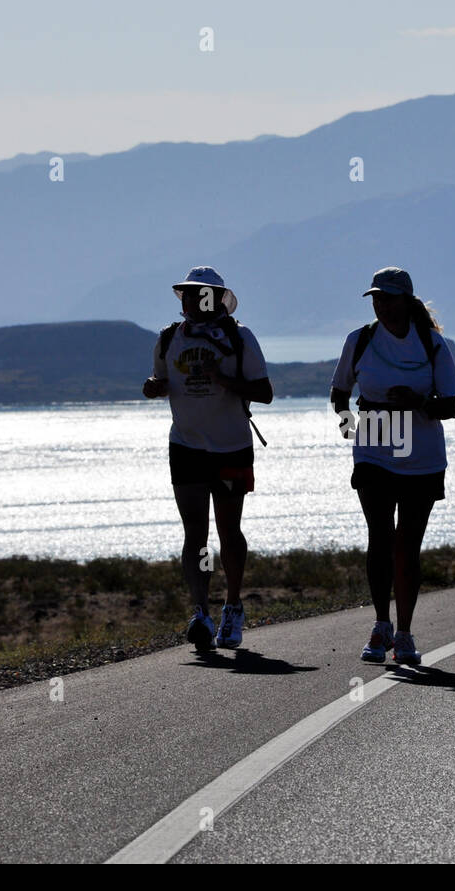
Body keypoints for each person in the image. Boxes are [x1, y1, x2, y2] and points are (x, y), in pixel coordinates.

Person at [330, 266, 455, 665]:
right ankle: (381, 624)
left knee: (407, 546)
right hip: (372, 441)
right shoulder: (361, 340)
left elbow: (452, 406)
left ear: (405, 300)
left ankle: (404, 632)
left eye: (387, 297)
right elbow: (339, 393)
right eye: (376, 297)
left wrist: (419, 402)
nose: (380, 304)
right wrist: (349, 427)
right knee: (380, 537)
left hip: (420, 453)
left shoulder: (432, 344)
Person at [142, 267, 273, 651]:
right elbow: (160, 382)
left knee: (229, 531)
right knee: (195, 534)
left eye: (198, 293)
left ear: (216, 298)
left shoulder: (239, 336)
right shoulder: (169, 338)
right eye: (186, 293)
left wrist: (225, 380)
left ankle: (233, 606)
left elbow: (264, 392)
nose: (190, 299)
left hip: (231, 446)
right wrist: (154, 388)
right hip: (185, 447)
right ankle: (201, 611)